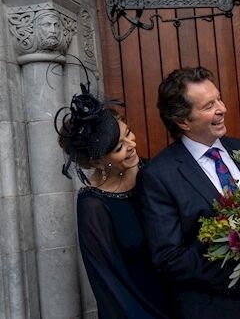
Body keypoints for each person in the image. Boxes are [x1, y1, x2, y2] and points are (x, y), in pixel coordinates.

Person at [138, 66, 240, 319]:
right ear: (183, 122)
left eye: (219, 98)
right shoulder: (160, 175)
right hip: (216, 307)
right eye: (208, 106)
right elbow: (169, 258)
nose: (222, 109)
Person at [55, 91, 173, 318]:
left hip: (185, 299)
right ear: (97, 161)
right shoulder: (93, 204)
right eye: (118, 147)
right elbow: (108, 280)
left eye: (128, 134)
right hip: (137, 308)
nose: (131, 145)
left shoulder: (153, 173)